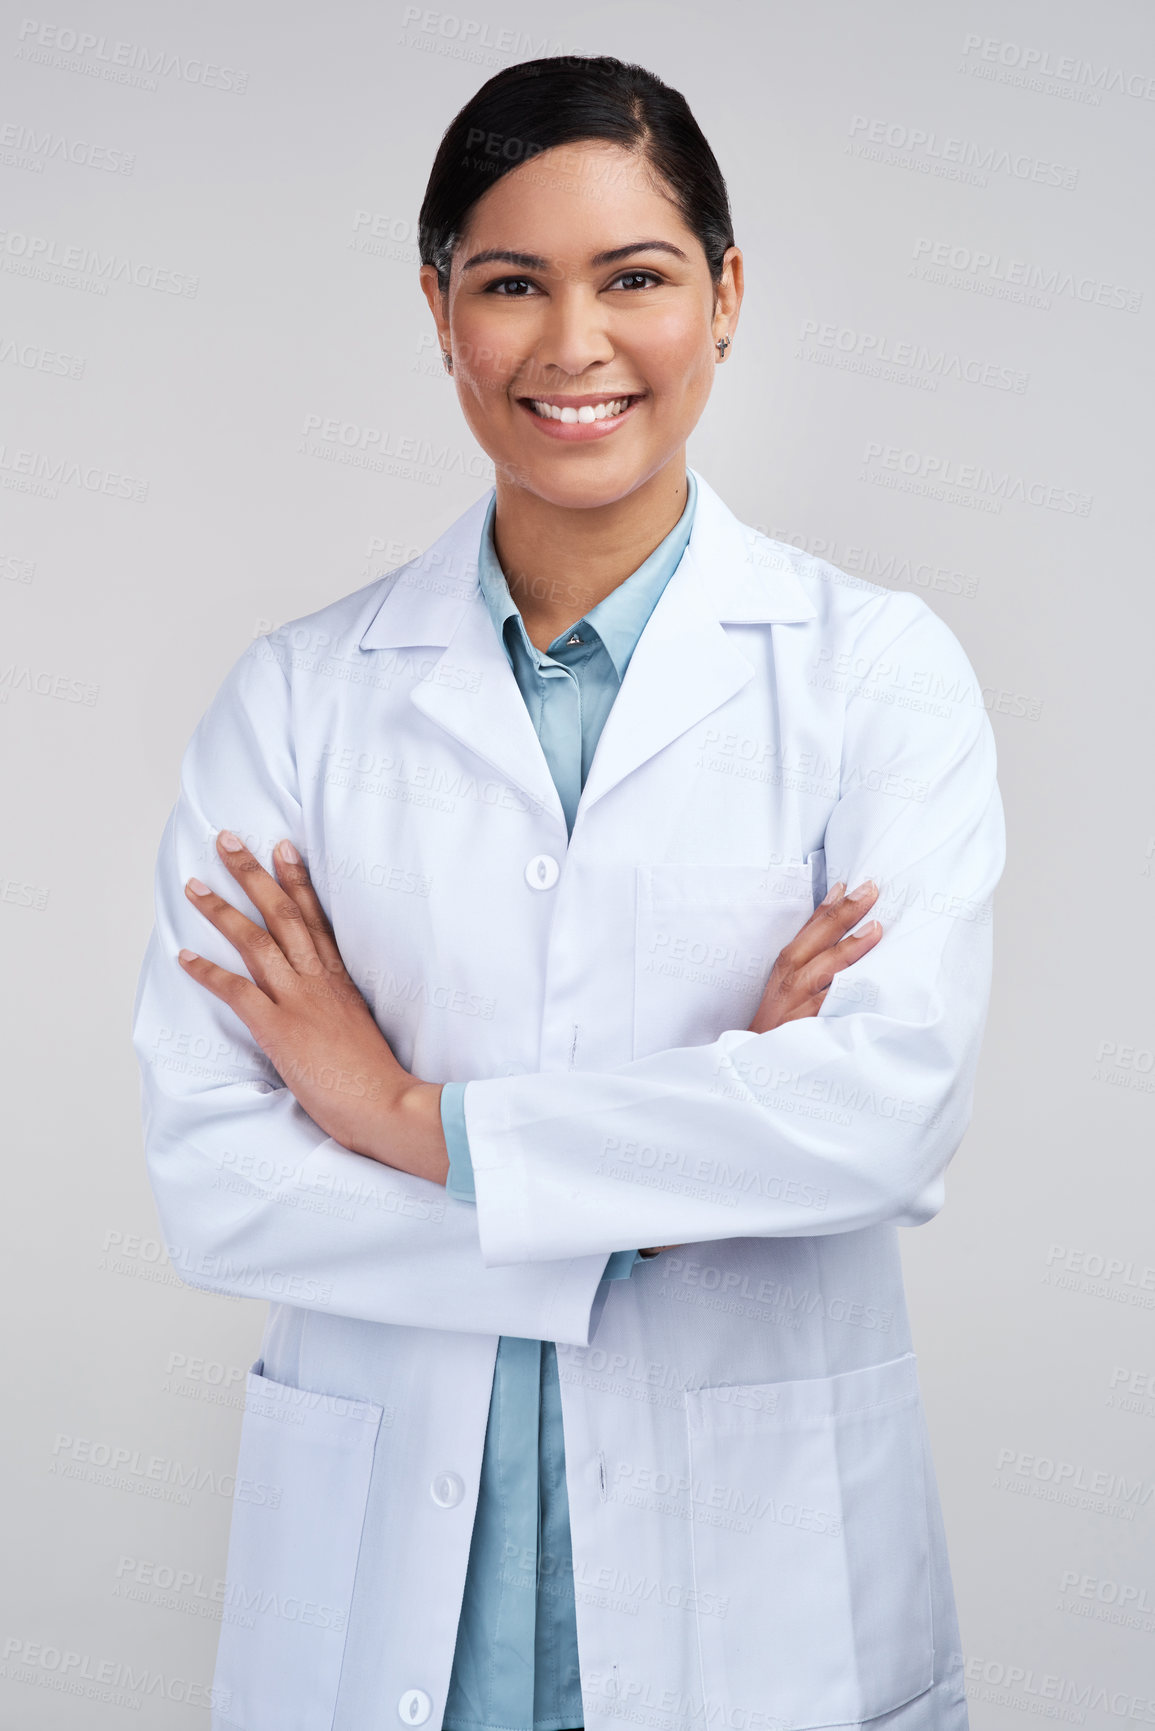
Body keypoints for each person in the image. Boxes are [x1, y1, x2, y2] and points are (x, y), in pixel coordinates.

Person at [132, 53, 1003, 1731]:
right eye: (511, 283)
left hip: (756, 1613)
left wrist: (403, 1116)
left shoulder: (874, 677)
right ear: (440, 309)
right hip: (396, 1609)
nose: (573, 344)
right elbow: (218, 1179)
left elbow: (886, 1111)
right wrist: (694, 1161)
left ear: (727, 296)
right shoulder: (301, 698)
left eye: (638, 277)